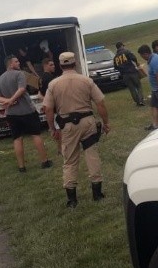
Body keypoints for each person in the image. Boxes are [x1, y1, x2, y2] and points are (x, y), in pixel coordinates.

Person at [43, 51, 111, 208]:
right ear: (75, 63)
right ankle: (97, 193)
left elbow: (48, 109)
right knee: (92, 155)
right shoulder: (86, 81)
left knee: (70, 160)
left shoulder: (53, 84)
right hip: (87, 122)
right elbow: (100, 103)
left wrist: (52, 128)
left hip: (67, 126)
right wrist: (106, 122)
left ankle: (72, 199)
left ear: (60, 65)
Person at [0, 54, 53, 173]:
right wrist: (10, 100)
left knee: (17, 139)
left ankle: (21, 167)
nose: (19, 63)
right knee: (36, 135)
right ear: (10, 64)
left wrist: (7, 101)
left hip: (11, 114)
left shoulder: (0, 79)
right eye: (16, 61)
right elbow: (21, 89)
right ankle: (45, 161)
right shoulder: (19, 74)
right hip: (27, 111)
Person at [113, 41, 145, 106]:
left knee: (131, 88)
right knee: (138, 86)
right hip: (132, 72)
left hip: (124, 75)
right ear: (122, 46)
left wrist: (121, 69)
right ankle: (141, 100)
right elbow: (134, 58)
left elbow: (115, 67)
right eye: (123, 46)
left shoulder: (115, 57)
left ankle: (137, 102)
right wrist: (137, 63)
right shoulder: (127, 51)